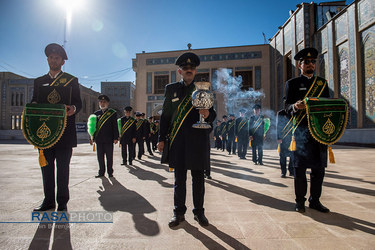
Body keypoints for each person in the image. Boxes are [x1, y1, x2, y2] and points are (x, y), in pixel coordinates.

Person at [158, 52, 216, 227]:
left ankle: (199, 213)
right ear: (179, 71)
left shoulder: (203, 88)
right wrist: (161, 139)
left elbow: (213, 113)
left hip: (198, 140)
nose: (188, 70)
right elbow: (165, 116)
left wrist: (207, 114)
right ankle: (178, 213)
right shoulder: (171, 89)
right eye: (185, 68)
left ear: (196, 70)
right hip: (178, 140)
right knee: (179, 180)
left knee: (198, 179)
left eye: (191, 68)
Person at [32, 43, 82, 211]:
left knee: (62, 170)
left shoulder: (71, 80)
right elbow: (34, 102)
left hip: (64, 134)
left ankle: (62, 202)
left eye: (57, 58)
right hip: (44, 134)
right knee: (46, 169)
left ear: (62, 62)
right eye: (51, 57)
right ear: (47, 60)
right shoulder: (39, 82)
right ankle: (48, 201)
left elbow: (78, 103)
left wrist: (72, 109)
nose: (54, 60)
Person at [284, 47, 330, 213]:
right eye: (307, 62)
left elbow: (327, 105)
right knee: (300, 170)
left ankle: (315, 200)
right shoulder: (292, 84)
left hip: (319, 134)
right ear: (300, 65)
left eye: (313, 62)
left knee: (318, 170)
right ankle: (300, 201)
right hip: (301, 133)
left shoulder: (322, 84)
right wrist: (296, 106)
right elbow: (286, 107)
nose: (310, 64)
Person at [91, 95, 119, 178]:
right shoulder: (96, 114)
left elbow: (115, 126)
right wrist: (91, 137)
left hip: (109, 139)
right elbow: (93, 127)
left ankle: (110, 172)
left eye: (104, 102)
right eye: (101, 102)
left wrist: (115, 137)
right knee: (100, 157)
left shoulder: (112, 113)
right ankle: (101, 172)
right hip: (99, 139)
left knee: (109, 157)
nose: (102, 103)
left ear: (108, 103)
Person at [276, 109, 294, 178]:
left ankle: (291, 171)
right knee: (282, 156)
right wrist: (278, 137)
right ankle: (283, 172)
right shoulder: (280, 113)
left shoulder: (294, 112)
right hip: (283, 138)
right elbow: (278, 126)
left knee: (292, 155)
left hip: (292, 138)